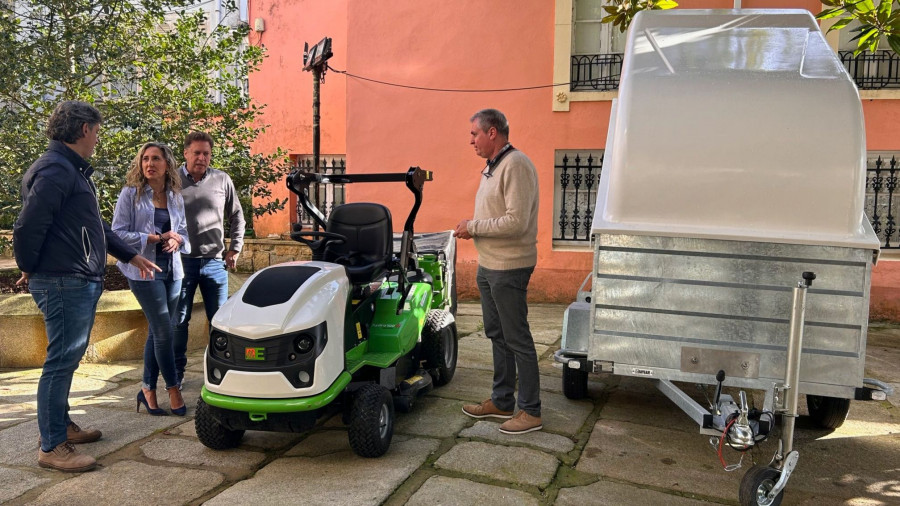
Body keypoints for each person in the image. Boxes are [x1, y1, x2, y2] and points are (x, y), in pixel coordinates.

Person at [13, 101, 159, 472]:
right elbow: (28, 227)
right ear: (83, 130)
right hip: (64, 279)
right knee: (61, 361)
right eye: (96, 131)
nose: (97, 138)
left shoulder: (70, 170)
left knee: (66, 358)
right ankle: (52, 446)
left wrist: (130, 255)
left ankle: (61, 426)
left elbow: (96, 226)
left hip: (73, 278)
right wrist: (30, 267)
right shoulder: (55, 169)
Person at [456, 109, 542, 435]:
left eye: (475, 134)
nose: (471, 141)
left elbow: (516, 221)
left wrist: (473, 227)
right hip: (489, 265)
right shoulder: (494, 165)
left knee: (517, 338)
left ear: (493, 133)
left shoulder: (516, 165)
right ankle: (503, 400)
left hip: (510, 267)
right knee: (497, 334)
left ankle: (531, 411)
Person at [112, 142, 190, 416]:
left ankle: (147, 389)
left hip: (173, 271)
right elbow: (117, 234)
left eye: (156, 158)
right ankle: (173, 388)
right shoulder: (130, 195)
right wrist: (151, 238)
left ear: (167, 164)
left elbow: (184, 235)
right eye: (145, 158)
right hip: (144, 271)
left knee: (158, 330)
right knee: (164, 331)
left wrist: (178, 240)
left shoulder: (175, 196)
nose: (149, 163)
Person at [173, 131, 245, 385]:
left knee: (221, 322)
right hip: (182, 263)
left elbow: (237, 215)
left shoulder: (221, 179)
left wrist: (235, 247)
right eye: (197, 153)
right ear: (185, 153)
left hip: (215, 262)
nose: (202, 158)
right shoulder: (172, 180)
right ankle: (177, 375)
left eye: (206, 153)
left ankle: (221, 372)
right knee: (179, 321)